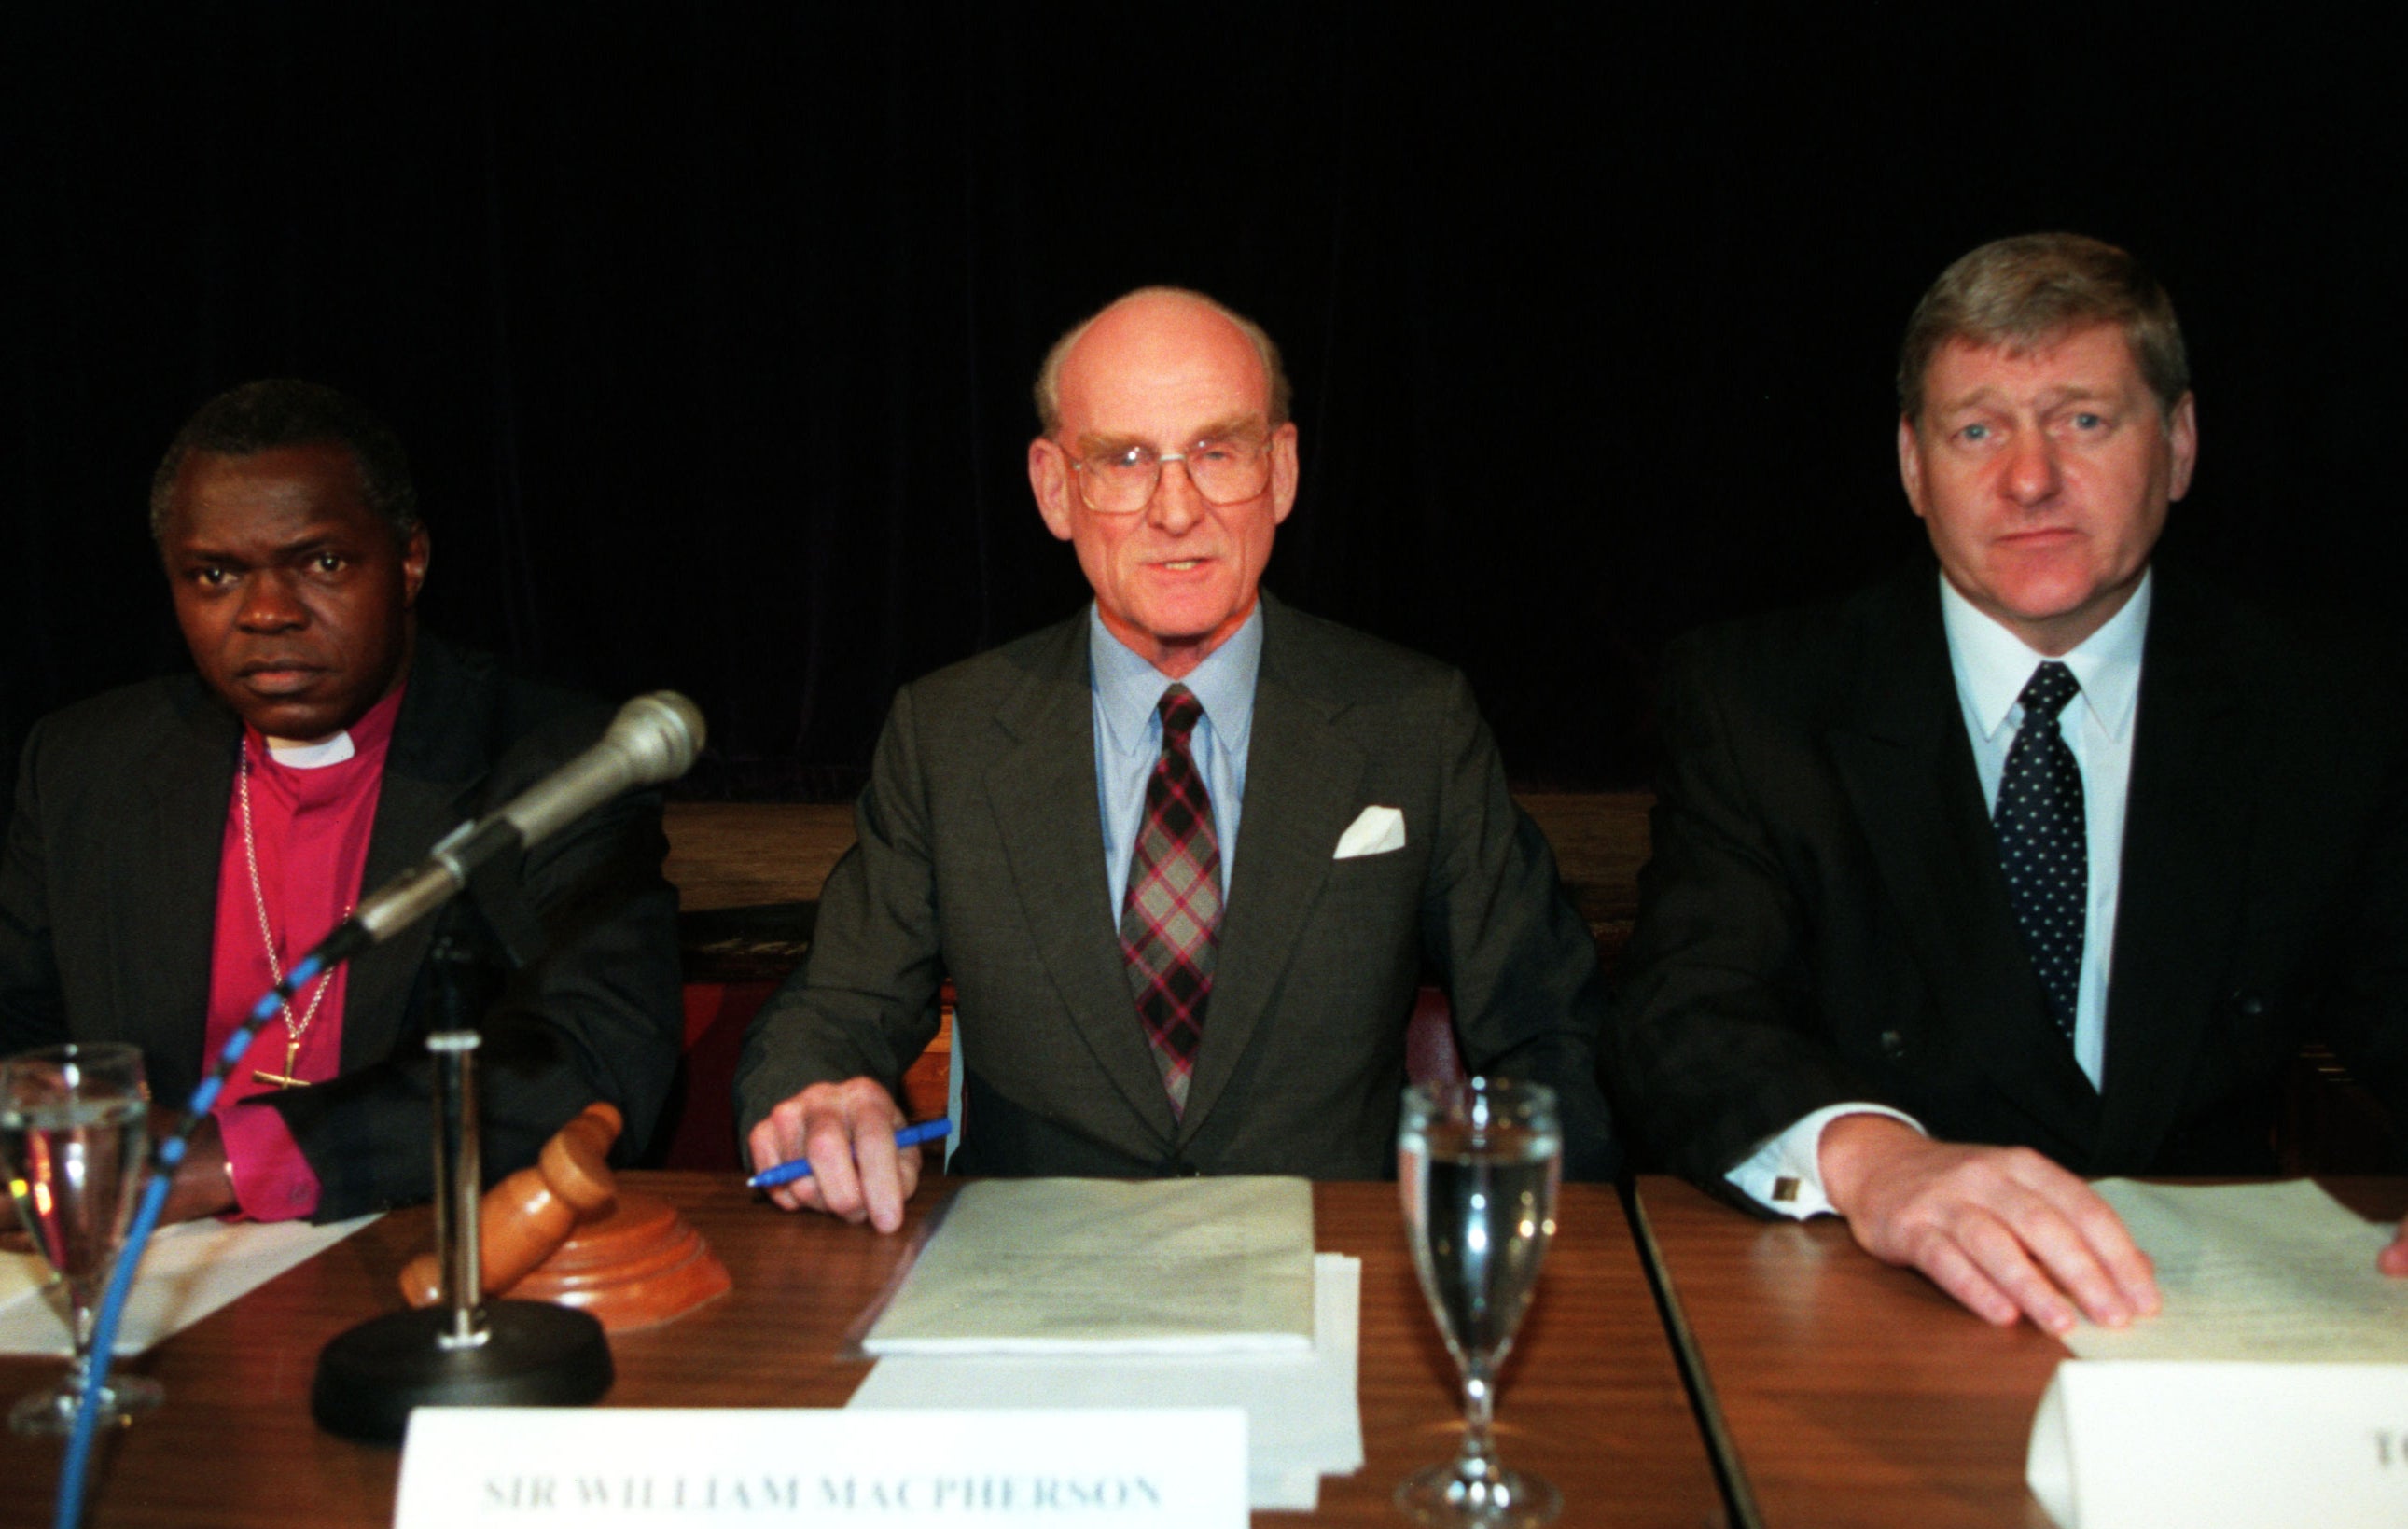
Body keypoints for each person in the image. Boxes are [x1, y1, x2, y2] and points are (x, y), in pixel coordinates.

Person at [1612, 233, 2408, 1332]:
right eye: (1976, 429)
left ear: (2177, 445)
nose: (2028, 478)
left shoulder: (2323, 704)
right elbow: (1683, 1013)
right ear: (1910, 466)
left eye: (2082, 420)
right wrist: (1875, 1163)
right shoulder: (1760, 700)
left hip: (2217, 1309)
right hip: (1870, 1309)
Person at [738, 286, 1615, 1230]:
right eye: (1123, 460)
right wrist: (818, 1099)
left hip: (1332, 1278)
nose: (1175, 509)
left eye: (1216, 452)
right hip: (1034, 1290)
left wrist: (1527, 1245)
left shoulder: (1412, 722)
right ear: (1053, 488)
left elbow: (1546, 1027)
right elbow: (835, 1011)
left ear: (1280, 471)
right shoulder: (946, 735)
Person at [0, 380, 682, 1224]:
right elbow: (20, 1024)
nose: (268, 613)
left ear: (409, 561)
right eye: (215, 574)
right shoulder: (83, 764)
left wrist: (225, 1159)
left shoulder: (552, 763)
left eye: (320, 563)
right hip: (140, 1264)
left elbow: (590, 1058)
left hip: (407, 1242)